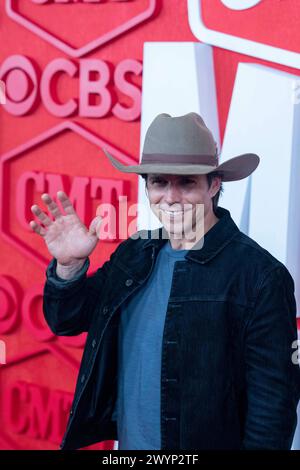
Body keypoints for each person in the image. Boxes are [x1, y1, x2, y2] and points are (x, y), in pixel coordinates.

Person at [29, 112, 300, 450]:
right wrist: (69, 266)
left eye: (186, 183)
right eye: (159, 181)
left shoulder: (260, 276)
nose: (171, 197)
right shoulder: (135, 252)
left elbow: (272, 411)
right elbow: (66, 320)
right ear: (147, 186)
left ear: (214, 185)